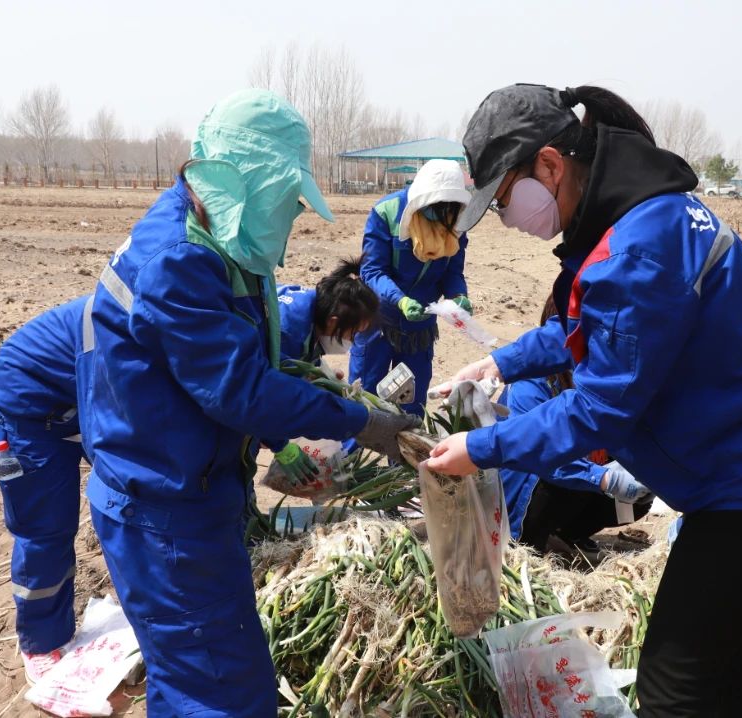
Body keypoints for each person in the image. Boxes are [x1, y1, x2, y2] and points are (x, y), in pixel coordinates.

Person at [425, 83, 742, 716]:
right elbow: (589, 327)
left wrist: (480, 448)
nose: (509, 220)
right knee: (713, 651)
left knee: (673, 680)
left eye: (505, 200)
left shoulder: (637, 247)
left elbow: (598, 409)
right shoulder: (636, 217)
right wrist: (502, 362)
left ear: (550, 165)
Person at [78, 89, 416, 717]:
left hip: (195, 492)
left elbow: (233, 374)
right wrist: (363, 422)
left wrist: (274, 442)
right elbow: (241, 388)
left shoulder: (227, 244)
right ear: (245, 183)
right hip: (164, 512)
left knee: (195, 681)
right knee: (229, 694)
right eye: (287, 201)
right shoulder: (181, 261)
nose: (290, 220)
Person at [0, 295, 92, 682]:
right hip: (30, 409)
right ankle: (41, 641)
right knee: (46, 528)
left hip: (81, 396)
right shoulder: (120, 331)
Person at [497, 296, 652, 557]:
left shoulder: (595, 375)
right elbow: (538, 453)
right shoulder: (530, 385)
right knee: (560, 474)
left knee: (640, 487)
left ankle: (565, 534)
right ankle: (527, 541)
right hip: (525, 491)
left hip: (574, 478)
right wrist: (604, 478)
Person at [349, 158, 472, 414]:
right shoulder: (387, 212)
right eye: (437, 207)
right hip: (378, 321)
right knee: (364, 399)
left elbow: (452, 272)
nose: (442, 215)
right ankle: (354, 454)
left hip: (419, 328)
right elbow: (372, 270)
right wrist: (400, 299)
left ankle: (403, 455)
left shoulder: (455, 222)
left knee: (410, 403)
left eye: (449, 208)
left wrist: (458, 295)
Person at [271, 258, 379, 485]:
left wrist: (319, 375)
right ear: (333, 322)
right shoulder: (287, 331)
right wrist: (279, 445)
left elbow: (301, 358)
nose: (352, 340)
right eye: (353, 333)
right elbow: (262, 393)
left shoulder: (314, 305)